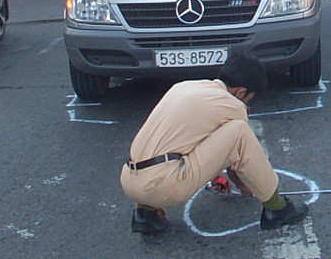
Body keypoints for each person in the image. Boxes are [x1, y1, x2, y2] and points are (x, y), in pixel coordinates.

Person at [120, 52, 308, 233]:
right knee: (239, 132)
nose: (247, 104)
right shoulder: (232, 104)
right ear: (241, 92)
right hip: (164, 185)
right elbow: (239, 152)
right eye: (249, 99)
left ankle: (145, 215)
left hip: (129, 180)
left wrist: (215, 176)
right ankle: (277, 209)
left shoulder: (185, 87)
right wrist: (242, 183)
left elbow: (193, 141)